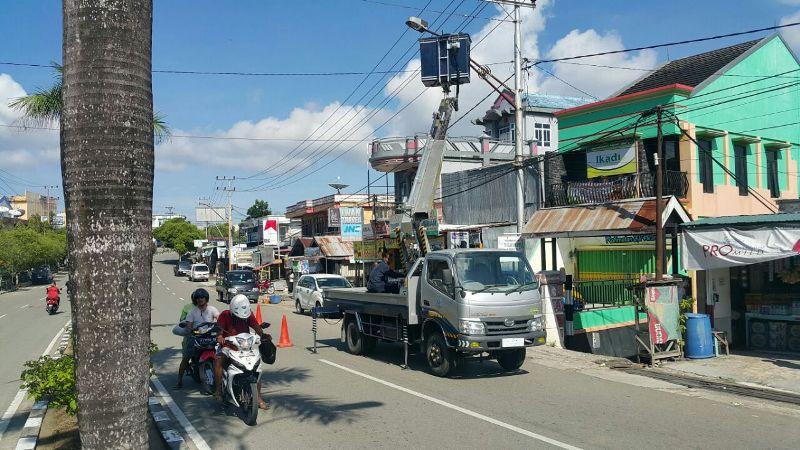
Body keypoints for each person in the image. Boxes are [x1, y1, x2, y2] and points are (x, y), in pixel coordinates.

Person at [214, 294, 270, 409]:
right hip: (228, 346)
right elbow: (219, 330)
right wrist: (220, 337)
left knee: (256, 369)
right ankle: (218, 391)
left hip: (245, 347)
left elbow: (256, 327)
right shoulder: (225, 315)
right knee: (219, 361)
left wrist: (263, 336)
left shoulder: (248, 314)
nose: (242, 319)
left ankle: (258, 397)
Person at [175, 289, 220, 389]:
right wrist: (190, 329)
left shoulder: (212, 309)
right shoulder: (192, 312)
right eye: (198, 298)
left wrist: (220, 326)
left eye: (202, 298)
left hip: (210, 337)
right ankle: (179, 381)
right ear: (195, 300)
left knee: (222, 355)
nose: (200, 300)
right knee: (186, 357)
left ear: (206, 298)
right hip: (195, 338)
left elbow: (219, 319)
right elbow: (189, 325)